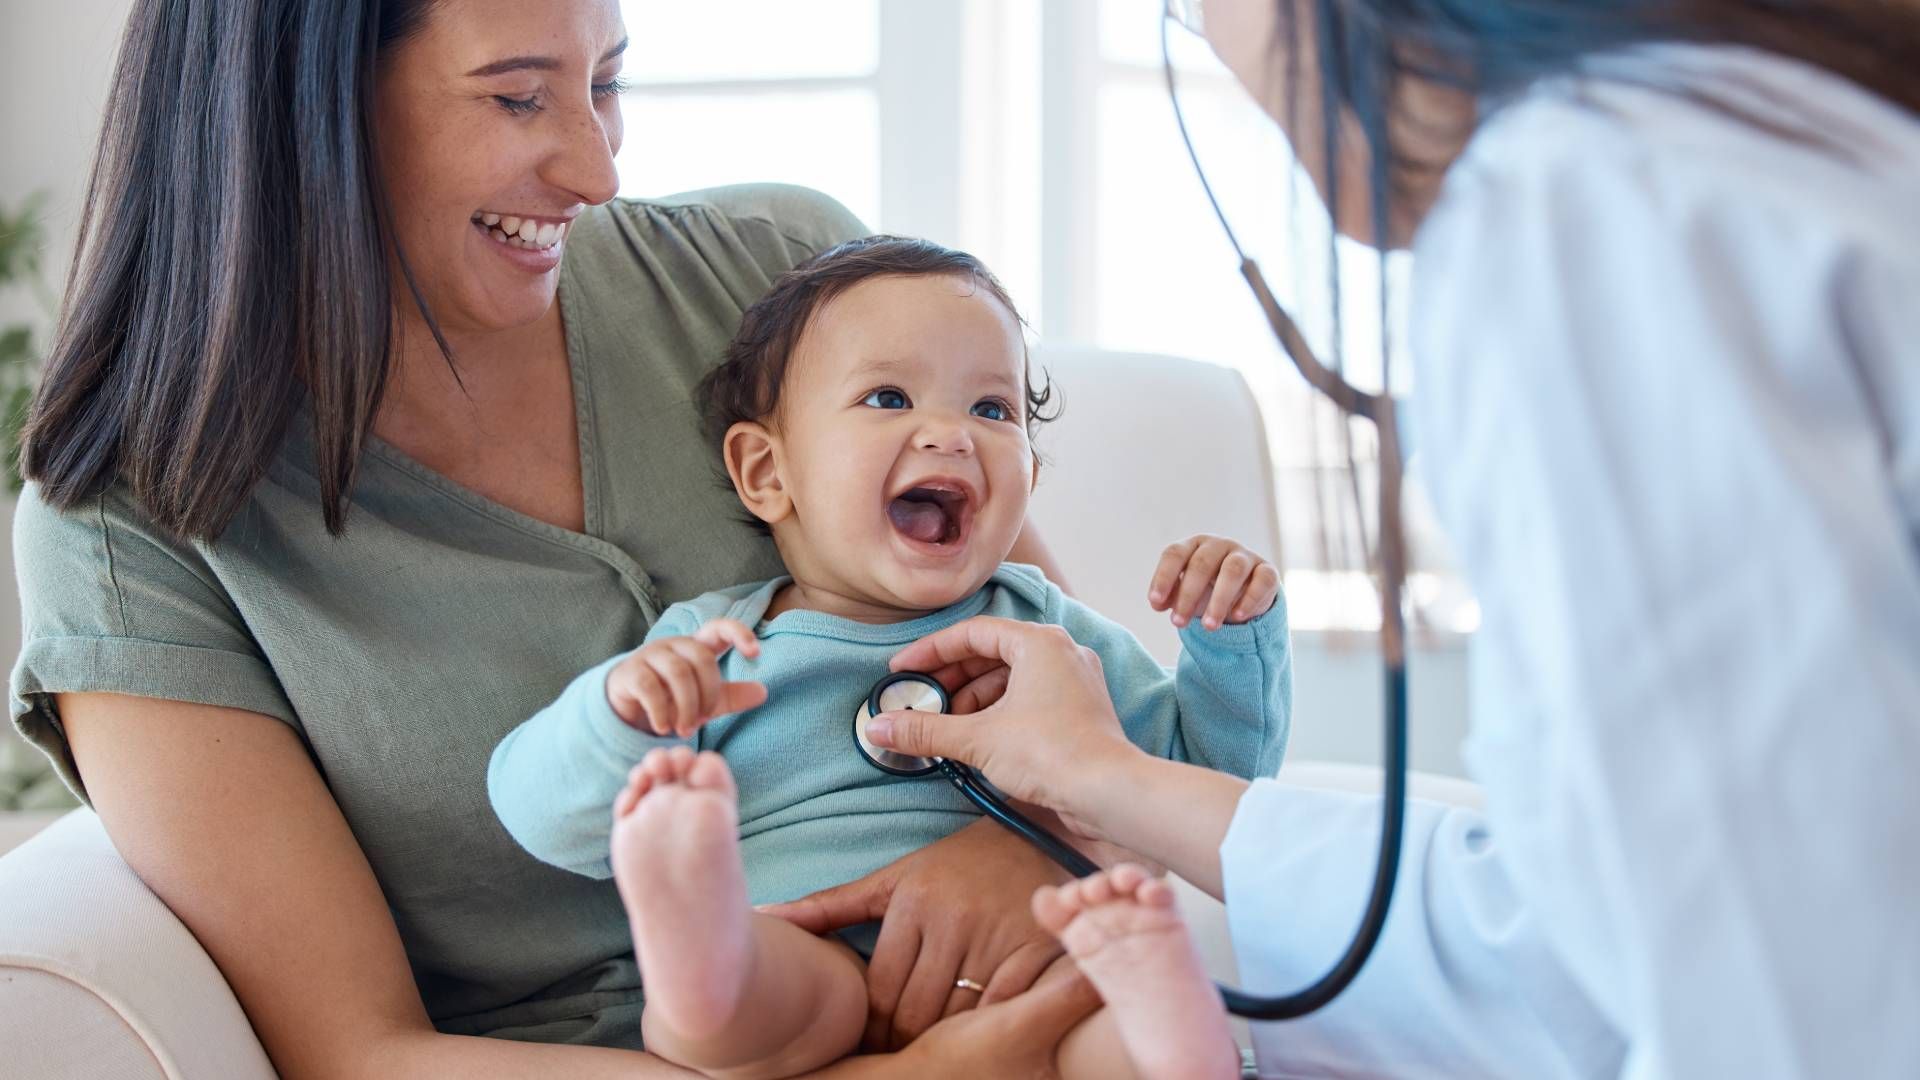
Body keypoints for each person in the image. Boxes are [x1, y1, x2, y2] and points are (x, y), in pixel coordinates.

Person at [7, 2, 1111, 1076]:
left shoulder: (786, 275)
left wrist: (1033, 849)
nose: (598, 171)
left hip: (1043, 1010)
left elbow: (1076, 683)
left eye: (607, 84)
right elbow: (362, 1054)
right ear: (310, 114)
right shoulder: (125, 530)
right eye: (521, 97)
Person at [853, 1, 1920, 1077]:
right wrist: (1106, 779)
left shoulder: (1586, 204)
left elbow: (1770, 996)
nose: (1210, 37)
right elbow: (1596, 936)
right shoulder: (1763, 146)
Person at [485, 235, 1289, 1080]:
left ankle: (1169, 1024)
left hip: (1038, 957)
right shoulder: (718, 649)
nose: (949, 434)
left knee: (1105, 1036)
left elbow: (1202, 780)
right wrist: (620, 713)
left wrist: (1229, 641)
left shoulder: (1049, 635)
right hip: (808, 948)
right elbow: (541, 817)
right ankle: (698, 935)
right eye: (888, 396)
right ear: (767, 471)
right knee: (733, 1011)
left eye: (993, 410)